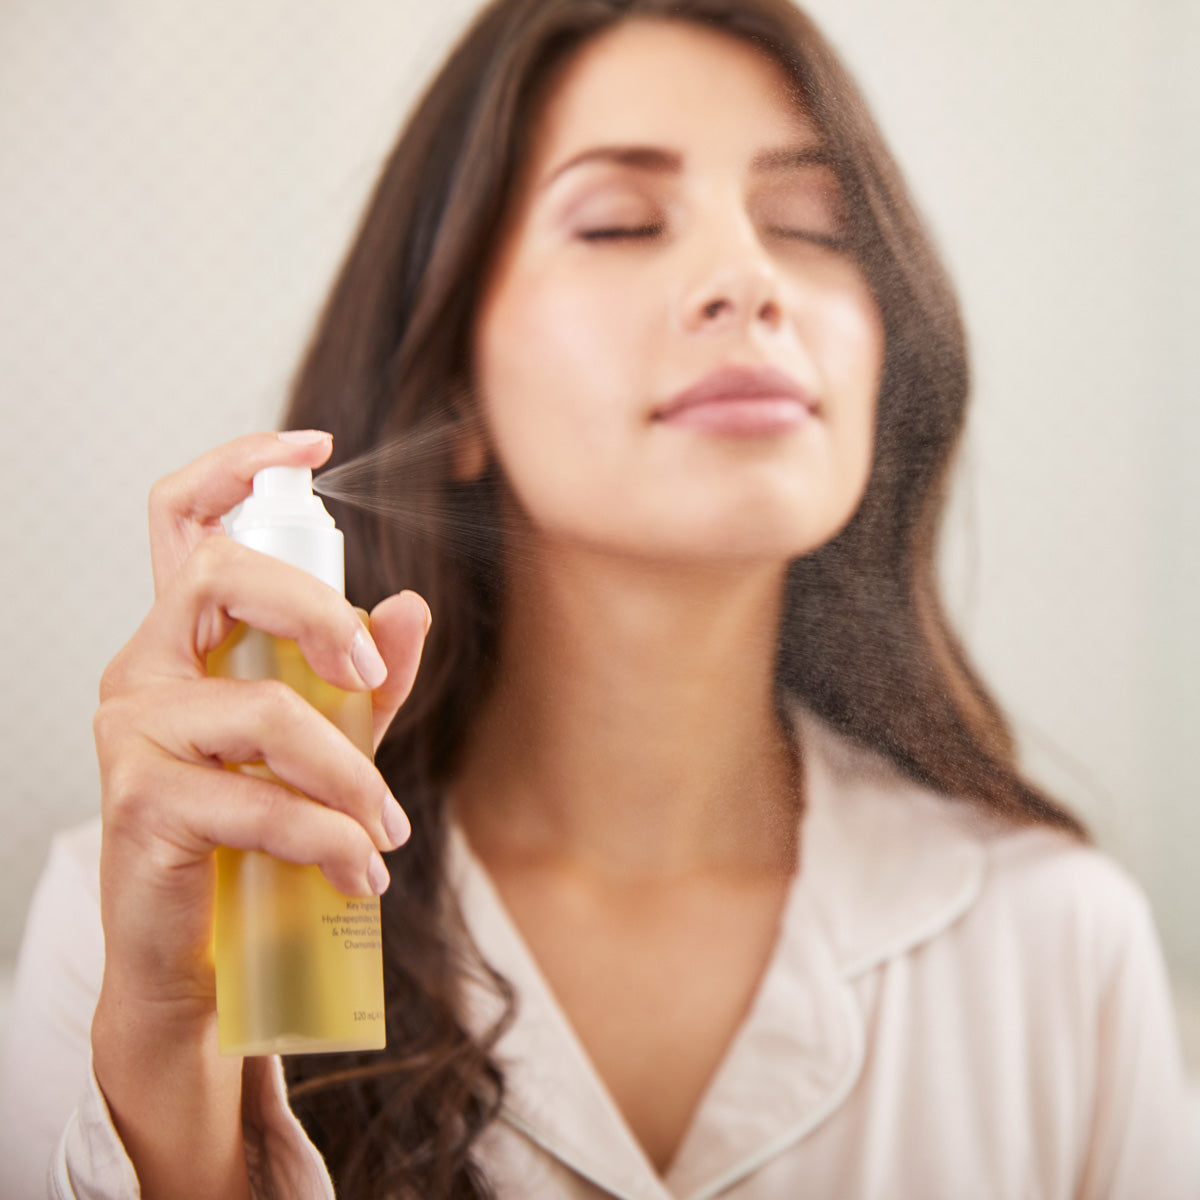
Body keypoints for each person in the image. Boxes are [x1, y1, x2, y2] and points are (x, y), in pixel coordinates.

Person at [1, 0, 1195, 1196]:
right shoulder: (155, 922)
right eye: (622, 224)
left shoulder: (1058, 944)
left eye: (811, 225)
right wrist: (173, 1085)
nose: (748, 279)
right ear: (456, 390)